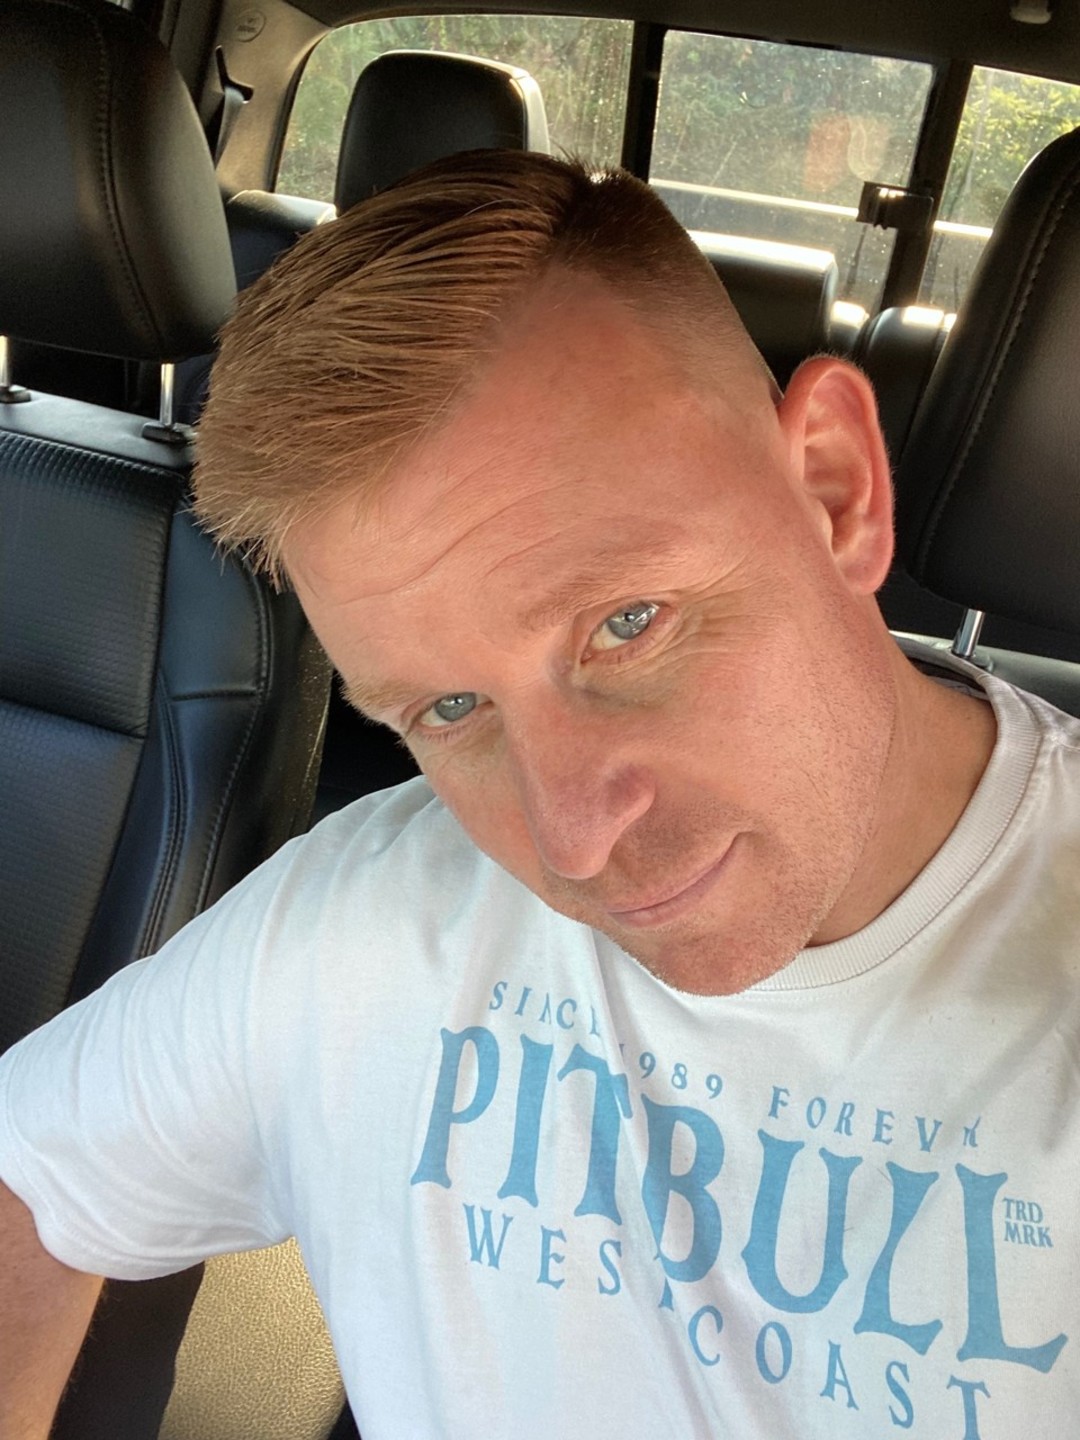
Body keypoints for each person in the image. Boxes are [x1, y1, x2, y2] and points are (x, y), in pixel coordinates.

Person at [1, 149, 1077, 1437]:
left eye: (627, 624)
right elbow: (31, 1179)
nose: (572, 841)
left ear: (835, 491)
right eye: (450, 710)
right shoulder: (358, 917)